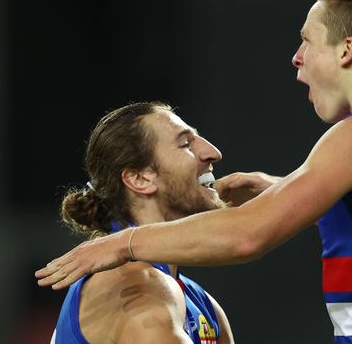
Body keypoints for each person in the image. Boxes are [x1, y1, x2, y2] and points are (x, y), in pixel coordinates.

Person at [37, 0, 352, 342]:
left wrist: (120, 244)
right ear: (137, 178)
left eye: (307, 40)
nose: (297, 57)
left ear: (346, 50)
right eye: (185, 143)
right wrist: (281, 188)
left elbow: (247, 236)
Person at [49, 102, 235, 344]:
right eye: (186, 144)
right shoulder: (140, 289)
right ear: (139, 178)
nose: (213, 152)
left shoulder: (201, 303)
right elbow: (248, 239)